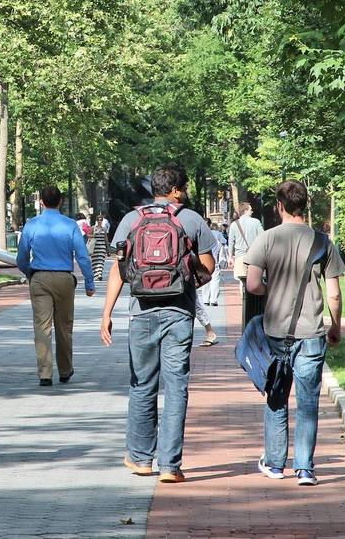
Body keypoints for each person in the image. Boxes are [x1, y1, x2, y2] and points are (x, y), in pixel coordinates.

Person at [100, 166, 216, 483]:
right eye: (186, 186)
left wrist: (106, 313)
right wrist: (186, 274)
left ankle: (140, 459)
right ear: (176, 190)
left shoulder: (131, 220)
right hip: (179, 313)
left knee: (142, 385)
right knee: (176, 387)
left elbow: (119, 270)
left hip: (140, 313)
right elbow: (208, 268)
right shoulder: (190, 220)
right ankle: (170, 466)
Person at [245, 180, 345, 487]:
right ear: (306, 205)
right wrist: (336, 326)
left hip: (275, 332)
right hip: (311, 333)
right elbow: (335, 294)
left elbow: (252, 285)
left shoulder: (266, 239)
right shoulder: (322, 242)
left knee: (276, 396)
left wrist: (271, 290)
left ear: (279, 206)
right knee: (308, 402)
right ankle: (305, 469)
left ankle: (275, 463)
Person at [16, 187, 96, 387]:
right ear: (60, 202)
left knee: (42, 327)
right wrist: (89, 282)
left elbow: (21, 258)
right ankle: (65, 370)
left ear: (41, 202)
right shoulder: (70, 225)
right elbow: (82, 256)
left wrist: (30, 273)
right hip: (64, 278)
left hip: (40, 278)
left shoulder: (32, 225)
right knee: (64, 327)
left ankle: (45, 373)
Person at [228, 204, 265, 319]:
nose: (252, 211)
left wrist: (230, 256)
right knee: (256, 278)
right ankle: (253, 300)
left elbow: (231, 242)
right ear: (245, 210)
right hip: (255, 255)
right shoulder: (256, 222)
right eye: (250, 209)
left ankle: (244, 300)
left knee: (242, 280)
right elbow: (263, 237)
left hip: (240, 256)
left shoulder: (234, 224)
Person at [90, 213, 110, 282]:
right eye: (98, 220)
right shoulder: (93, 228)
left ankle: (99, 275)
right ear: (96, 220)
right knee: (95, 262)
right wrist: (93, 235)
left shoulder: (104, 229)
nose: (99, 221)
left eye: (101, 220)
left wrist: (108, 249)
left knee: (101, 262)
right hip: (95, 247)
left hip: (102, 247)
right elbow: (89, 236)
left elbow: (106, 239)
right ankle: (95, 275)